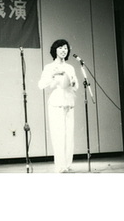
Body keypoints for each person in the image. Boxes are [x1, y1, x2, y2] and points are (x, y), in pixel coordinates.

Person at [38, 39, 79, 173]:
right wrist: (53, 75)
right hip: (56, 103)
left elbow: (76, 86)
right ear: (55, 50)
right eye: (60, 48)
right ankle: (60, 165)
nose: (63, 50)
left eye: (66, 48)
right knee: (58, 134)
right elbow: (41, 85)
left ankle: (67, 164)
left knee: (69, 135)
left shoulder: (70, 67)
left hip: (69, 102)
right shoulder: (49, 67)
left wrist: (72, 81)